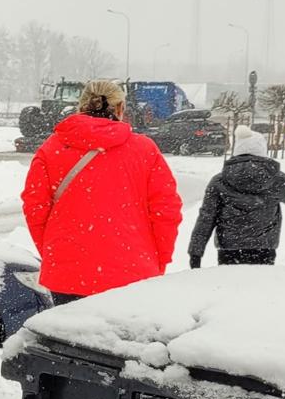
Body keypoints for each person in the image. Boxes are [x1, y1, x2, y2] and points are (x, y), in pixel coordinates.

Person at [20, 80, 182, 304]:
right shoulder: (144, 150)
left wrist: (55, 252)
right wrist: (159, 260)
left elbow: (35, 208)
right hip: (132, 272)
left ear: (81, 106)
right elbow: (166, 211)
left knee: (68, 337)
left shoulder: (52, 148)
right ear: (120, 109)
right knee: (124, 339)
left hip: (67, 274)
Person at [187, 127, 285, 268]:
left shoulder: (219, 180)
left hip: (229, 247)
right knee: (260, 287)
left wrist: (196, 253)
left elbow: (206, 218)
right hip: (264, 246)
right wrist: (277, 174)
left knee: (230, 287)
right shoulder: (275, 179)